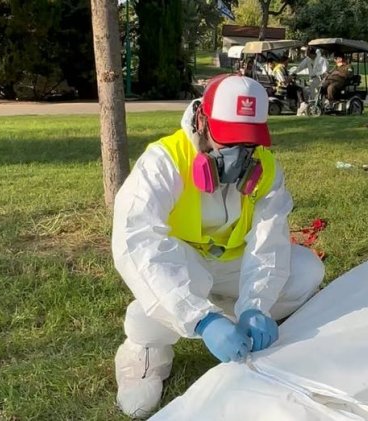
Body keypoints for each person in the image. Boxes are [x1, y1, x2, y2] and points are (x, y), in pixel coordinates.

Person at [111, 74, 325, 418]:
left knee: (305, 270)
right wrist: (201, 321)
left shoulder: (267, 170)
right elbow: (138, 242)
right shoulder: (163, 162)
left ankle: (238, 318)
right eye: (229, 142)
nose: (239, 158)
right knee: (160, 290)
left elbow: (269, 242)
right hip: (184, 263)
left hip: (233, 265)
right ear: (201, 121)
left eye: (248, 144)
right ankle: (145, 351)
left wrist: (256, 305)